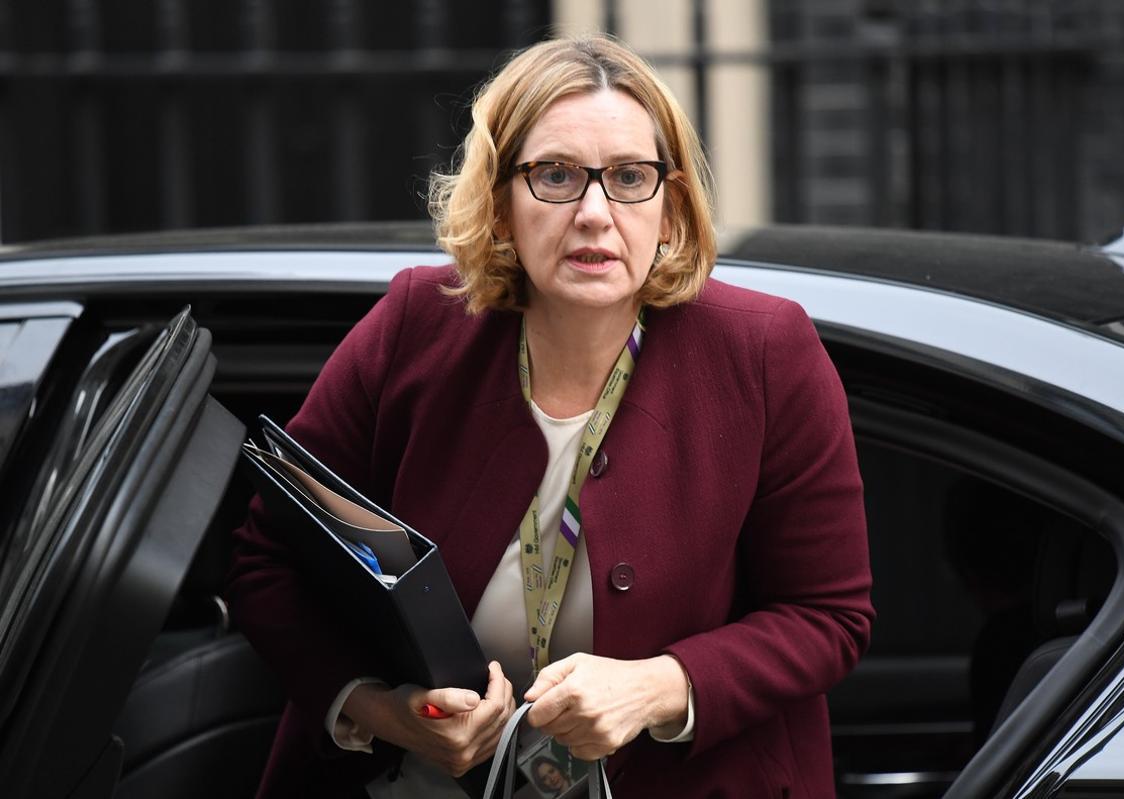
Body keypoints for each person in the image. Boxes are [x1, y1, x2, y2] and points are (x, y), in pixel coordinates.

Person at [226, 34, 873, 799]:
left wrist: (658, 687)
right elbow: (267, 556)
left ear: (669, 207)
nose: (595, 213)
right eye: (556, 175)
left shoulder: (766, 351)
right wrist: (378, 709)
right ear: (500, 202)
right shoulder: (413, 326)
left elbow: (828, 614)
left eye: (630, 176)